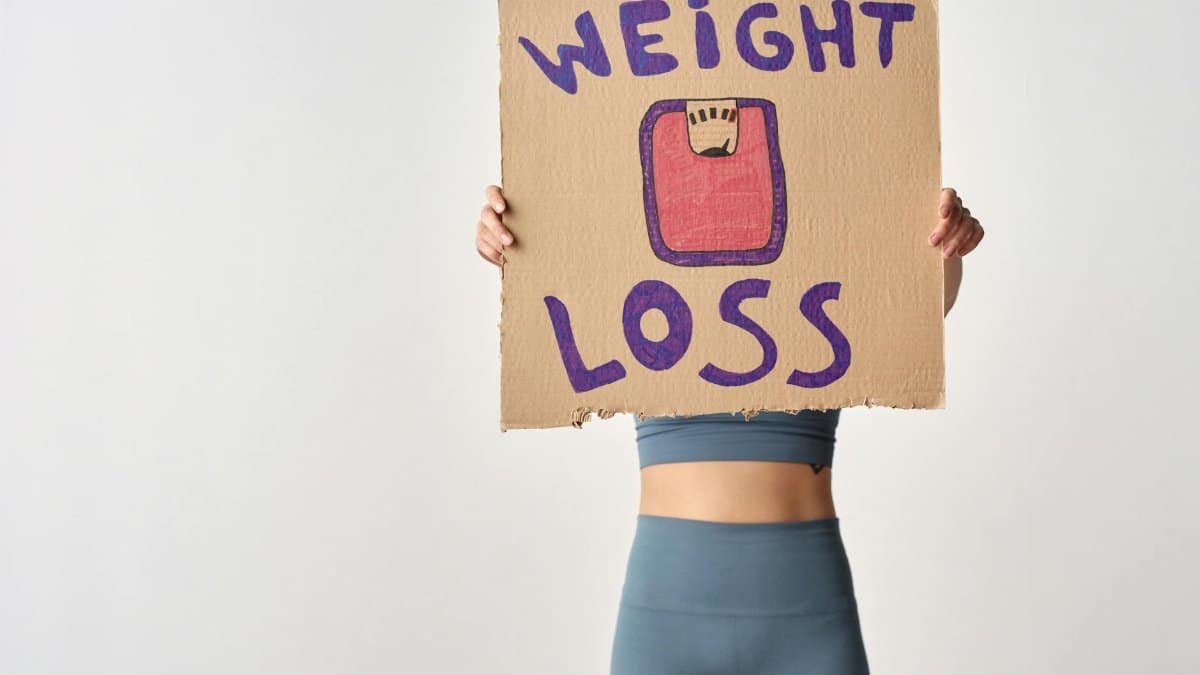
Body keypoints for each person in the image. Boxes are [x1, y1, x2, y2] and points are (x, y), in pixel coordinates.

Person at [474, 184, 984, 674]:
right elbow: (553, 275)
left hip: (805, 609)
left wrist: (947, 242)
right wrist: (508, 241)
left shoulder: (824, 237)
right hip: (667, 616)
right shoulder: (634, 237)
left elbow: (916, 307)